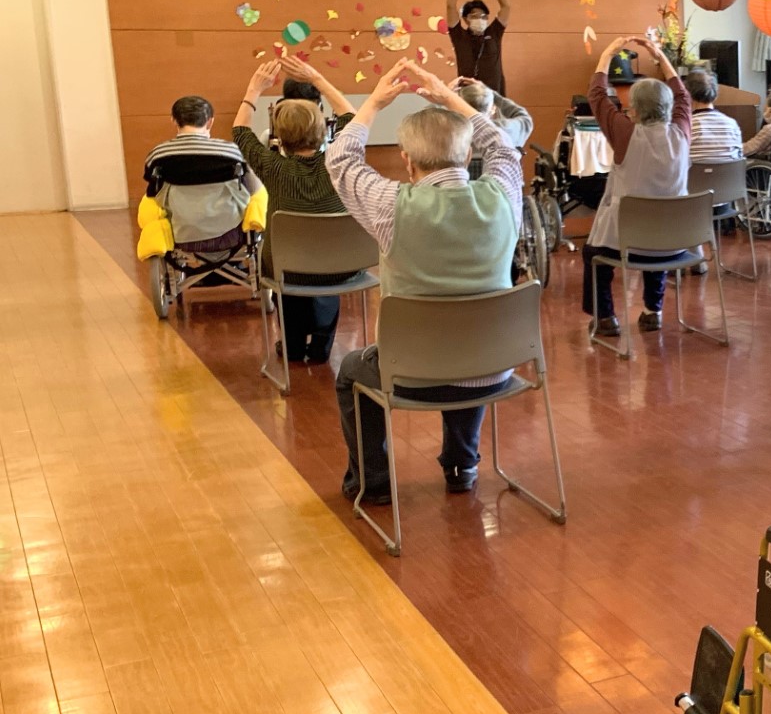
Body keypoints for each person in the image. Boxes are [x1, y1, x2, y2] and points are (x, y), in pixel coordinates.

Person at [326, 59, 521, 504]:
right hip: (495, 363)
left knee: (351, 370)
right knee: (468, 340)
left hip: (410, 372)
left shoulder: (390, 204)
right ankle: (462, 465)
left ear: (406, 159)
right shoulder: (504, 196)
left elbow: (339, 159)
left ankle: (373, 484)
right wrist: (452, 100)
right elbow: (504, 148)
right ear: (468, 156)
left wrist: (374, 103)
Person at [232, 56, 354, 364]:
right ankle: (322, 346)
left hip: (287, 267)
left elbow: (240, 131)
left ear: (280, 136)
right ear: (323, 129)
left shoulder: (272, 167)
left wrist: (254, 89)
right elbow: (351, 117)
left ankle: (293, 347)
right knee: (325, 272)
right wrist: (317, 79)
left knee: (286, 270)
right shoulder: (340, 163)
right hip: (340, 263)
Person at [581, 35, 691, 339]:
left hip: (629, 246)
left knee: (592, 253)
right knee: (657, 229)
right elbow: (683, 95)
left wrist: (607, 54)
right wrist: (659, 55)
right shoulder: (682, 132)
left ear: (635, 109)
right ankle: (653, 311)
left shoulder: (626, 133)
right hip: (674, 242)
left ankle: (606, 318)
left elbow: (596, 95)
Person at [145, 94, 259, 247]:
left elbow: (153, 190)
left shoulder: (159, 154)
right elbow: (252, 188)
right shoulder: (231, 152)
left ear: (174, 120)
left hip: (180, 233)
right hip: (229, 232)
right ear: (210, 121)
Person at [446, 0, 512, 93]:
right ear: (466, 19)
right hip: (467, 96)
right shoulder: (459, 36)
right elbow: (450, 6)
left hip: (494, 97)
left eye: (483, 16)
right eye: (474, 16)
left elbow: (506, 6)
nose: (480, 19)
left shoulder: (494, 32)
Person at [455, 77, 534, 149]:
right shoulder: (505, 129)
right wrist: (492, 94)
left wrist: (448, 94)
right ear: (493, 109)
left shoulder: (452, 132)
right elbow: (526, 119)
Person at [685, 68, 744, 164]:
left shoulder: (686, 126)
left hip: (694, 174)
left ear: (688, 95)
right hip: (729, 174)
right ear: (716, 95)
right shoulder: (732, 125)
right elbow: (739, 156)